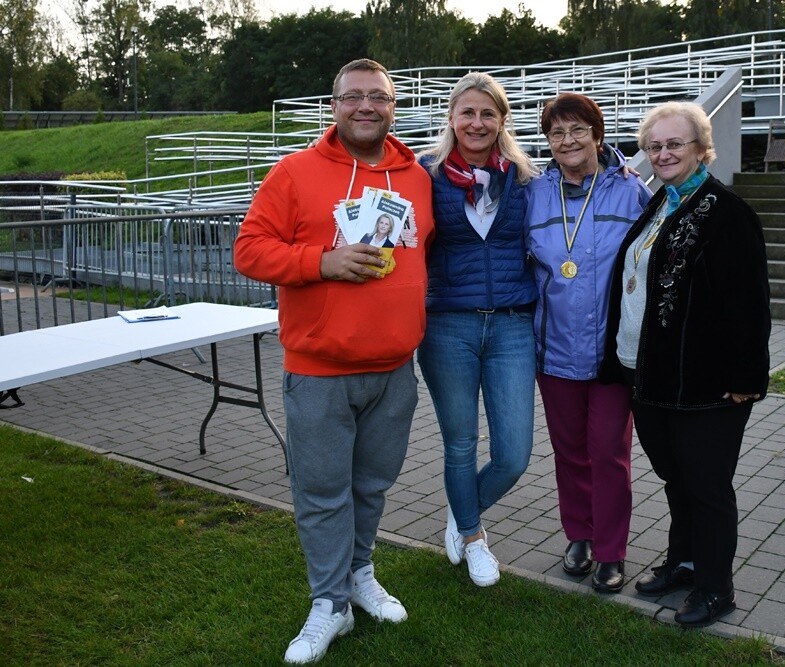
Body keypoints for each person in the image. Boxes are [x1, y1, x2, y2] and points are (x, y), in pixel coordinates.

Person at [233, 58, 433, 664]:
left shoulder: (415, 177)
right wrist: (321, 262)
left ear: (393, 106)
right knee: (323, 493)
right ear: (334, 105)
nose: (366, 106)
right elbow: (249, 249)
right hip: (319, 370)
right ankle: (329, 601)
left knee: (371, 486)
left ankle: (360, 573)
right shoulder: (294, 172)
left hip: (394, 369)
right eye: (353, 97)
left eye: (379, 96)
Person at [599, 101, 771, 627]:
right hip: (648, 374)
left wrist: (746, 377)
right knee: (676, 478)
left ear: (701, 148)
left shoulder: (727, 212)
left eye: (675, 144)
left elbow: (750, 302)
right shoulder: (662, 202)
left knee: (707, 486)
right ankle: (685, 562)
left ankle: (716, 588)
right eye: (654, 146)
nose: (663, 153)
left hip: (706, 383)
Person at [416, 72, 539, 587]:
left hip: (511, 326)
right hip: (448, 326)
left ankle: (462, 507)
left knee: (513, 454)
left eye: (488, 113)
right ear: (451, 117)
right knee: (461, 445)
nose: (477, 122)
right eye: (467, 112)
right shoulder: (424, 174)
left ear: (502, 120)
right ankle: (473, 536)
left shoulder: (525, 178)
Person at [524, 93, 651, 592]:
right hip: (554, 349)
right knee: (569, 451)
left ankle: (611, 550)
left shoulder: (631, 191)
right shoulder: (534, 194)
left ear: (598, 136)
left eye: (578, 129)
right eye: (557, 133)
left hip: (611, 354)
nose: (568, 140)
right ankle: (579, 535)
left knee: (609, 453)